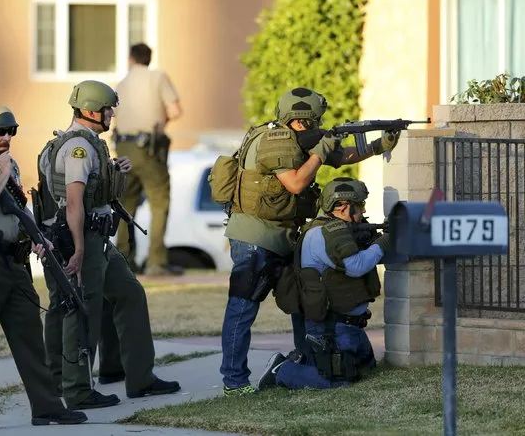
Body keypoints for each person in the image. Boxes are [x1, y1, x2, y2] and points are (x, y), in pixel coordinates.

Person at [215, 87, 401, 397]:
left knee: (304, 300)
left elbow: (339, 157)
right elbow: (297, 183)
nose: (319, 126)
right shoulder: (275, 142)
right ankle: (234, 382)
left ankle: (307, 361)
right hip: (256, 238)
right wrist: (321, 149)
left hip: (281, 236)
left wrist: (380, 144)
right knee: (242, 308)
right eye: (315, 121)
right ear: (301, 121)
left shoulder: (292, 139)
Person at [37, 80, 181, 411]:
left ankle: (140, 379)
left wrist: (116, 172)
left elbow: (93, 192)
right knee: (80, 310)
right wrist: (78, 249)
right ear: (89, 111)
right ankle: (76, 390)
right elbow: (73, 202)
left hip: (98, 238)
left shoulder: (90, 145)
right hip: (83, 237)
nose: (112, 114)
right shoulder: (79, 149)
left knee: (129, 293)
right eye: (107, 109)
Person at [0, 104, 87, 430]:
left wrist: (37, 238)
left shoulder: (9, 167)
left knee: (30, 336)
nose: (7, 137)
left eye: (11, 131)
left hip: (15, 260)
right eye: (0, 131)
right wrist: (1, 172)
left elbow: (16, 213)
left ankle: (46, 407)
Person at [257, 178, 391, 390]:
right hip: (331, 326)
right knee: (341, 380)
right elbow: (355, 265)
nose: (363, 210)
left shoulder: (335, 229)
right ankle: (281, 370)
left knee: (366, 370)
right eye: (361, 205)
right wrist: (384, 243)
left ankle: (306, 362)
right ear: (344, 207)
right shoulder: (324, 234)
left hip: (348, 326)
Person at [112, 42, 183, 276]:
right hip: (150, 149)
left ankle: (122, 260)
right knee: (159, 203)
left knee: (124, 205)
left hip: (123, 147)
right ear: (149, 59)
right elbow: (174, 111)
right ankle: (155, 262)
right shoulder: (158, 77)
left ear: (130, 59)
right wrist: (160, 124)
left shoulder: (121, 83)